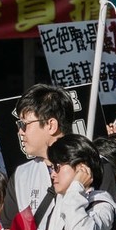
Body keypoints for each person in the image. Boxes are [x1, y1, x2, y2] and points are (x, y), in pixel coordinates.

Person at [12, 85, 77, 214]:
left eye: (24, 124)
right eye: (20, 124)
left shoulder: (96, 166)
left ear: (51, 125)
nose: (20, 132)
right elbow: (10, 228)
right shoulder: (21, 175)